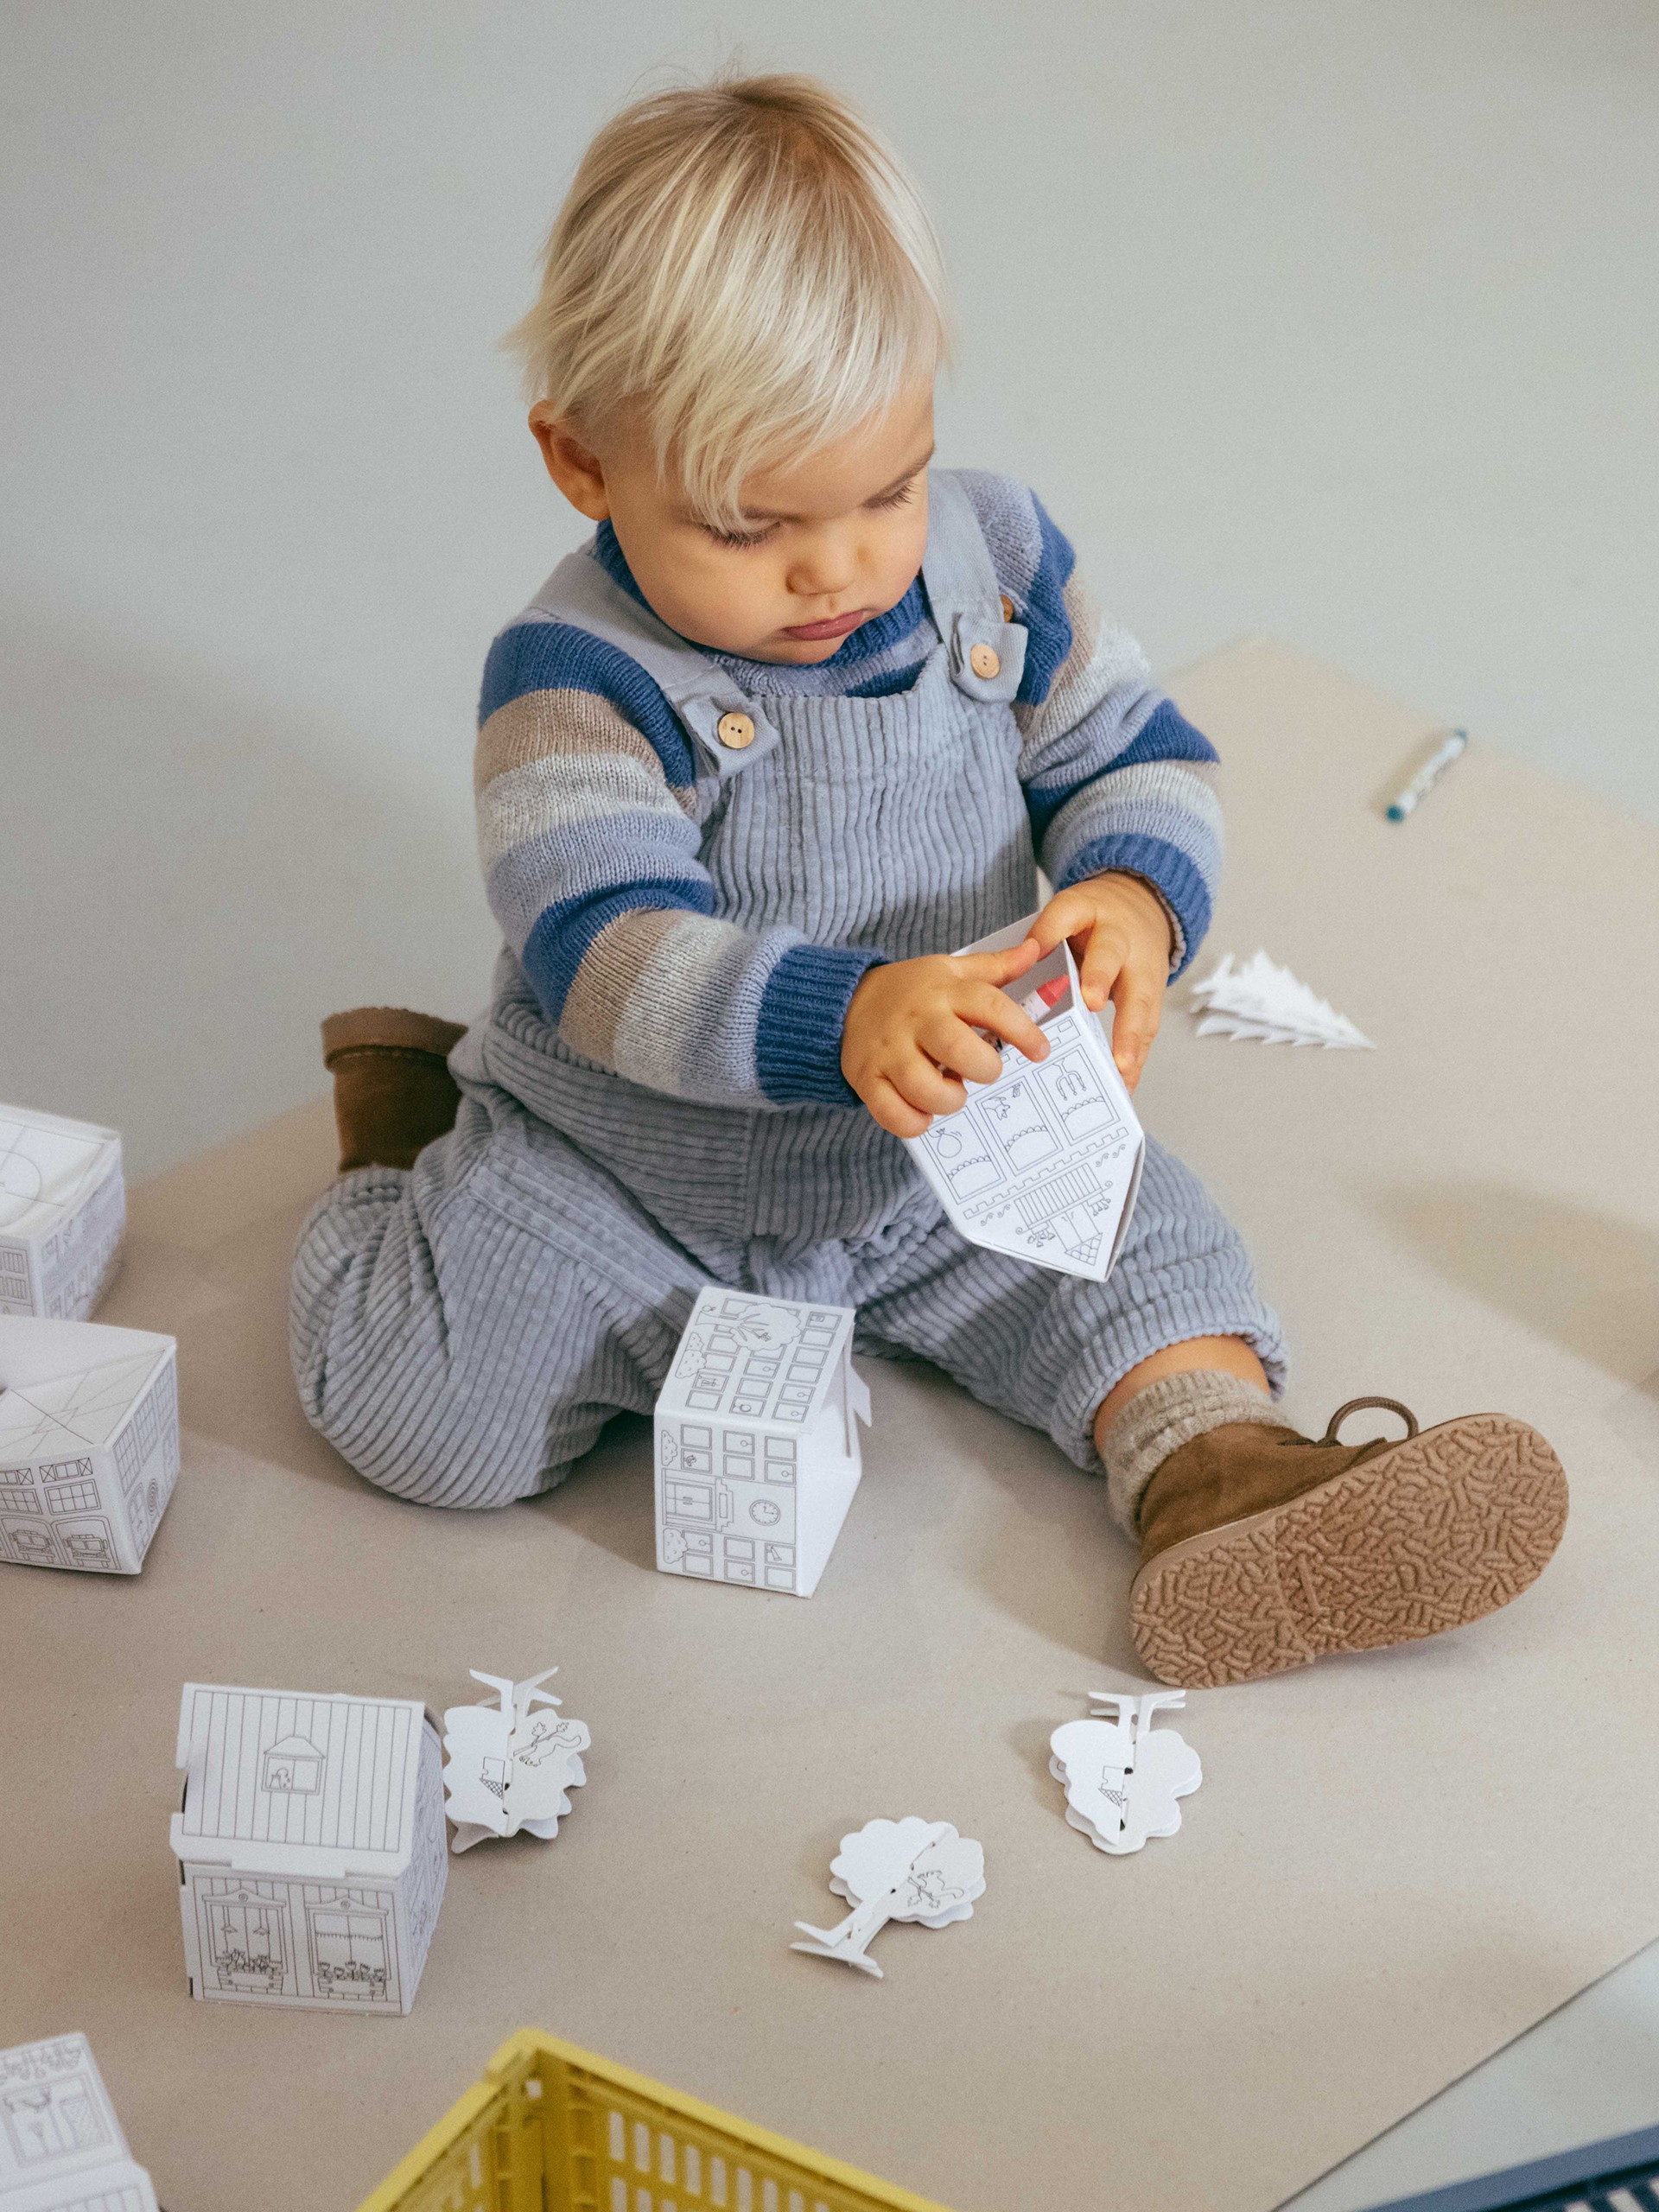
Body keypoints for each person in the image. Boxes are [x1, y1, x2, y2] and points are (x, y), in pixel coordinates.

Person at [290, 73, 1567, 1687]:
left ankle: (1222, 1474)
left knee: (1153, 1253)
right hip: (625, 1175)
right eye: (749, 525)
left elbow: (1138, 752)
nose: (836, 566)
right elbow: (601, 949)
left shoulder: (1000, 566)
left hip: (946, 1154)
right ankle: (399, 1132)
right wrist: (842, 1015)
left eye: (888, 489)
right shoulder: (572, 677)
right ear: (582, 462)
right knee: (425, 1417)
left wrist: (1133, 896)